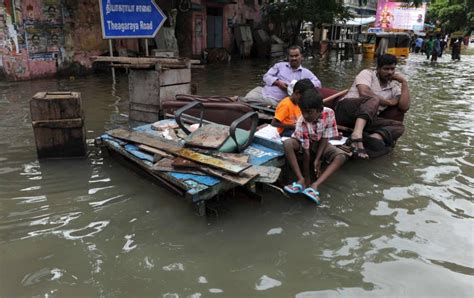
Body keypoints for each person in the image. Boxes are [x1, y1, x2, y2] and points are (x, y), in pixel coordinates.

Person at [333, 54, 409, 159]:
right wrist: (389, 102)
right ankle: (357, 135)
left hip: (366, 120)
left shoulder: (394, 87)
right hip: (346, 111)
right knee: (374, 99)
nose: (390, 72)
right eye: (386, 69)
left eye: (392, 69)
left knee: (399, 127)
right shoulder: (367, 74)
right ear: (378, 69)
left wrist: (404, 82)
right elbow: (364, 92)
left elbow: (404, 107)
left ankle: (369, 139)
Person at [283, 89, 348, 204]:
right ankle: (301, 180)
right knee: (287, 143)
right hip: (301, 143)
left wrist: (318, 159)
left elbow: (325, 137)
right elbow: (306, 151)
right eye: (303, 112)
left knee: (341, 156)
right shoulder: (301, 121)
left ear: (320, 110)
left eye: (309, 112)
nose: (305, 115)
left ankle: (315, 185)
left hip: (318, 142)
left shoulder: (329, 113)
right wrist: (306, 177)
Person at [242, 45, 321, 107]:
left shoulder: (306, 73)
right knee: (248, 97)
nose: (294, 58)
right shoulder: (279, 66)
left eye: (296, 56)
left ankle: (239, 100)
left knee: (246, 100)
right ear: (288, 57)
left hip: (275, 100)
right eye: (291, 56)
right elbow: (266, 76)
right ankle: (241, 100)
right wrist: (277, 82)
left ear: (301, 56)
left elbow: (318, 84)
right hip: (262, 91)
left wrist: (298, 86)